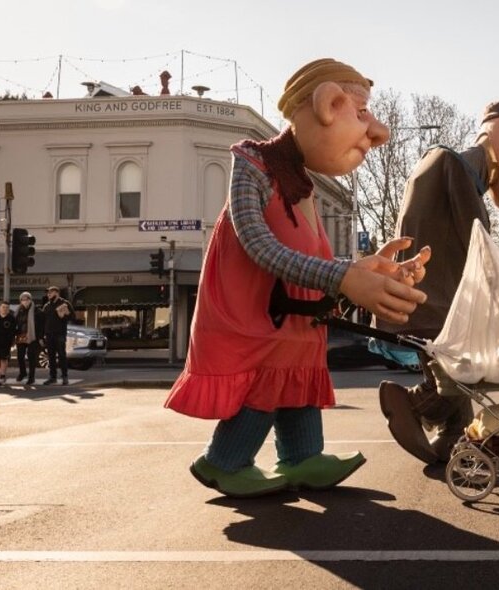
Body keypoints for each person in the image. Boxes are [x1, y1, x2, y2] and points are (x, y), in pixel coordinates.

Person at [164, 58, 431, 499]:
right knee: (270, 379)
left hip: (298, 319)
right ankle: (225, 461)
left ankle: (303, 456)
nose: (377, 131)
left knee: (297, 375)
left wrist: (371, 268)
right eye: (362, 114)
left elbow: (315, 255)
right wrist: (344, 276)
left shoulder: (303, 184)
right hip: (262, 315)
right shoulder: (252, 164)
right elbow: (259, 245)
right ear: (328, 103)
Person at [378, 99, 499, 464]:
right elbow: (481, 248)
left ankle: (454, 441)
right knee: (454, 381)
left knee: (461, 380)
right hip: (437, 305)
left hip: (427, 299)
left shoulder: (444, 165)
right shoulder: (454, 167)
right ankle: (412, 403)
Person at [42, 286, 73, 385]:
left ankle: (65, 377)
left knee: (62, 356)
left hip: (60, 334)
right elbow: (43, 321)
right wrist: (43, 334)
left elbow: (73, 316)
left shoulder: (64, 303)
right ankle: (52, 377)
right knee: (50, 357)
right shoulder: (47, 305)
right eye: (48, 293)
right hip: (49, 335)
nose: (48, 294)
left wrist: (64, 315)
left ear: (56, 293)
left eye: (50, 292)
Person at [15, 291, 44, 385]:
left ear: (30, 300)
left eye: (26, 299)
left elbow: (41, 325)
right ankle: (23, 373)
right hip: (21, 336)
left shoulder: (37, 310)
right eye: (22, 299)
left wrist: (40, 337)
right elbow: (15, 323)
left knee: (31, 357)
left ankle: (31, 377)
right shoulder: (18, 310)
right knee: (20, 356)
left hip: (32, 336)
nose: (24, 301)